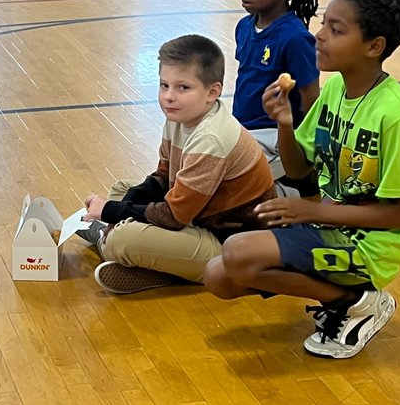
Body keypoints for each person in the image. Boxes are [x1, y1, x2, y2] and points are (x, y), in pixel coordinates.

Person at [204, 0, 400, 359]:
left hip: (372, 246)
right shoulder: (334, 92)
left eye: (336, 29)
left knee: (239, 253)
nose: (319, 35)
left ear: (374, 47)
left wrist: (312, 210)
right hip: (330, 225)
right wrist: (284, 123)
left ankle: (358, 301)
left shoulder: (396, 117)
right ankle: (343, 297)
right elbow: (298, 169)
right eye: (324, 23)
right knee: (218, 276)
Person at [81, 34, 275, 294]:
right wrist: (121, 204)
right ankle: (156, 265)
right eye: (164, 85)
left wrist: (112, 213)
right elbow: (163, 176)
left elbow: (174, 217)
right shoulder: (180, 117)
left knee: (123, 239)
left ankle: (111, 241)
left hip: (230, 246)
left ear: (213, 92)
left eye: (183, 87)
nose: (169, 97)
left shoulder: (211, 138)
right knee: (122, 189)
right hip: (200, 218)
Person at [233, 0, 321, 194]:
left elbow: (312, 102)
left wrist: (305, 156)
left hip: (275, 137)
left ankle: (294, 189)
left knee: (225, 183)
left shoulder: (295, 38)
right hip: (242, 130)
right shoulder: (243, 27)